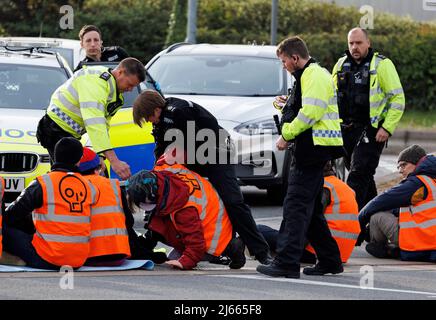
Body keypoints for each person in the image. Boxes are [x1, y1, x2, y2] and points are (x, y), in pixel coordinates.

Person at [132, 89, 272, 265]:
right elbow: (161, 148)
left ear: (156, 109)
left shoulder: (179, 111)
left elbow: (198, 142)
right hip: (192, 156)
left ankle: (261, 252)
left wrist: (176, 157)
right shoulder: (161, 119)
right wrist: (158, 174)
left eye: (148, 118)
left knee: (233, 201)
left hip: (215, 152)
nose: (149, 122)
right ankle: (152, 242)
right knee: (167, 194)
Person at [257, 36, 344, 279]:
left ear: (295, 58)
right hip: (315, 149)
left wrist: (287, 133)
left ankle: (285, 262)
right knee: (312, 209)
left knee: (295, 206)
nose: (283, 66)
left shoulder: (312, 75)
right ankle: (330, 260)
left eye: (284, 61)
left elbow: (311, 112)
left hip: (311, 149)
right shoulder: (310, 76)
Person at [36, 57, 145, 180]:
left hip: (67, 134)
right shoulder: (96, 82)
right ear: (120, 72)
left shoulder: (114, 94)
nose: (130, 90)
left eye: (133, 87)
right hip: (54, 129)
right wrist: (114, 161)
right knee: (70, 178)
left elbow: (103, 127)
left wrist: (100, 156)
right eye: (129, 84)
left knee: (89, 173)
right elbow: (95, 122)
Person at [332, 27, 405, 210]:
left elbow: (398, 99)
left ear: (368, 43)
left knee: (357, 176)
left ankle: (349, 224)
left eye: (359, 43)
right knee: (365, 179)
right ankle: (374, 221)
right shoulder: (341, 64)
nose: (354, 47)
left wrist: (387, 128)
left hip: (371, 131)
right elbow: (331, 96)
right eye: (351, 43)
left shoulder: (382, 65)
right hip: (346, 130)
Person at [125, 163, 246, 270]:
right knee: (160, 222)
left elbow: (196, 244)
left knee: (176, 260)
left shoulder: (184, 209)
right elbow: (158, 223)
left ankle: (233, 248)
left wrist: (185, 262)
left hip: (212, 240)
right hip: (209, 224)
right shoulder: (166, 178)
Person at [2, 138, 94, 269]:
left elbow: (12, 214)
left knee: (3, 226)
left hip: (47, 259)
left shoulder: (44, 183)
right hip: (78, 260)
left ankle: (7, 257)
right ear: (79, 160)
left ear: (54, 156)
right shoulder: (89, 186)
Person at [258, 161, 360, 264]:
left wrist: (291, 250)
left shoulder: (322, 187)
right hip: (341, 253)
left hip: (316, 252)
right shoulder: (345, 188)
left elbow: (307, 222)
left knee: (258, 230)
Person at [358, 145, 436, 262]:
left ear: (417, 162)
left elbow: (380, 201)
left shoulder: (415, 183)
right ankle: (393, 249)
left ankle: (382, 247)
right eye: (399, 166)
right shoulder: (431, 181)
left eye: (404, 165)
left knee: (377, 216)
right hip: (432, 244)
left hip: (419, 242)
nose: (400, 170)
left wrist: (359, 222)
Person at [77, 147, 131, 266]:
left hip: (86, 257)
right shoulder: (113, 185)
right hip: (118, 256)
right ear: (98, 169)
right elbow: (129, 221)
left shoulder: (70, 185)